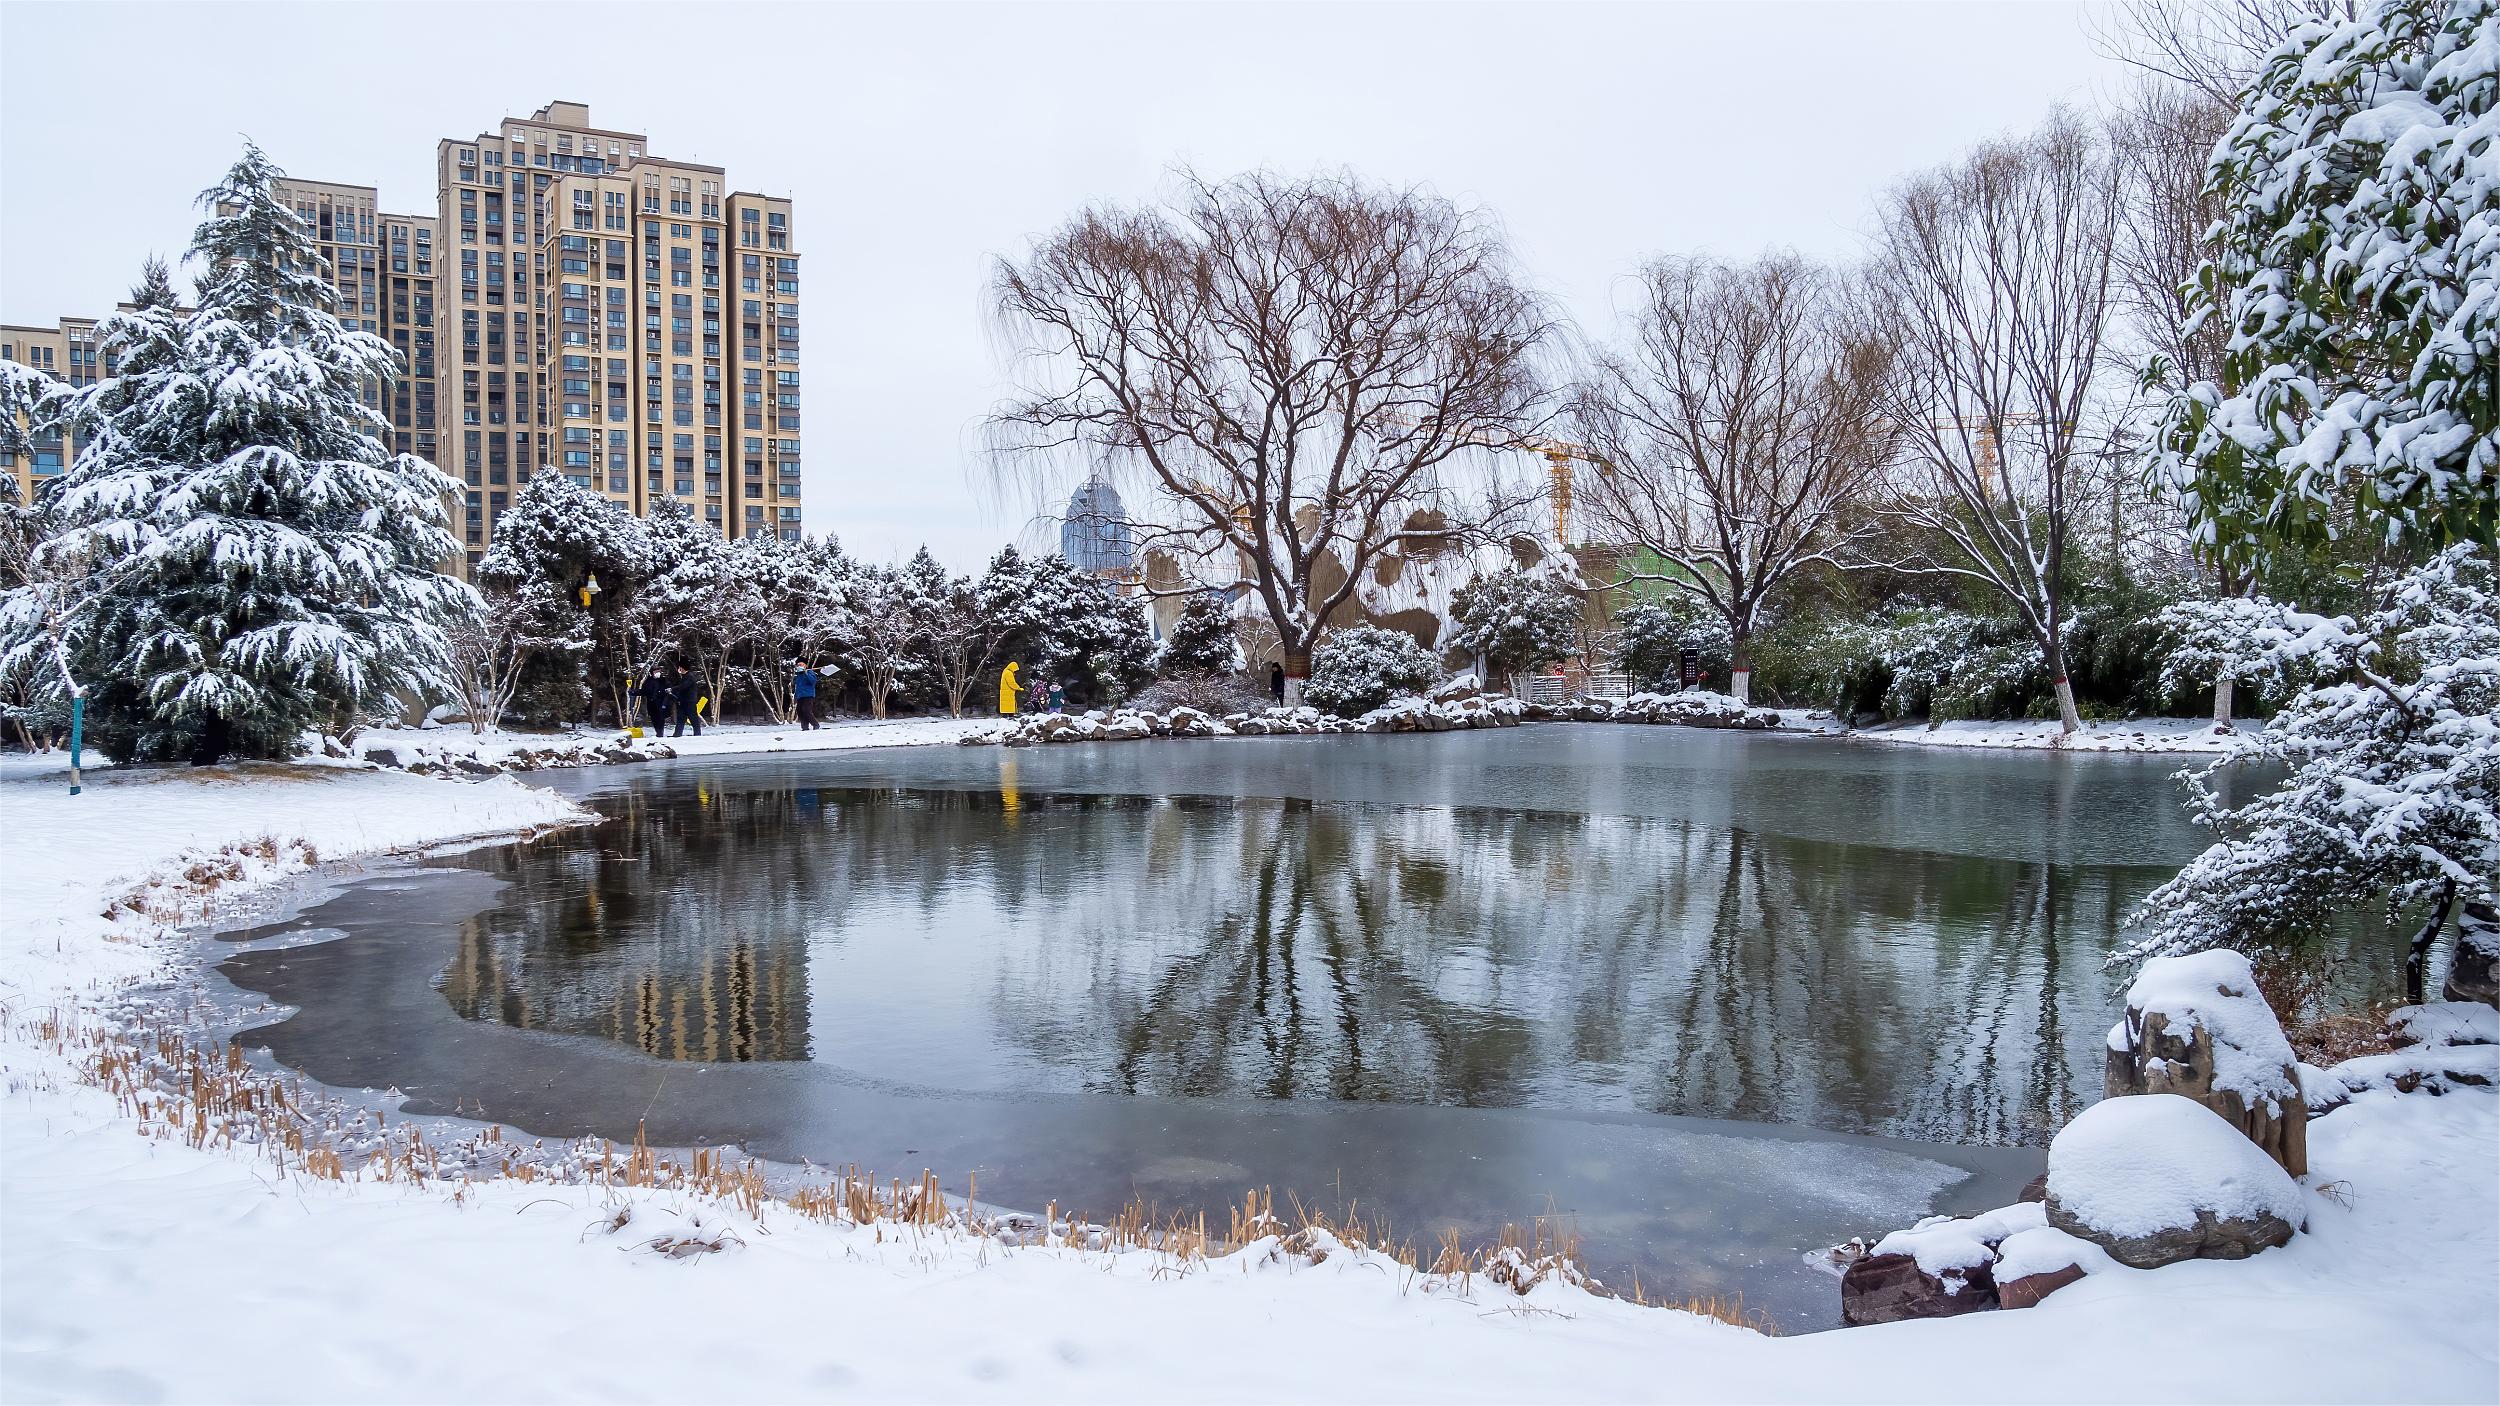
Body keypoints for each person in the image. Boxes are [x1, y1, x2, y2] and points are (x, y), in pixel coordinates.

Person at [671, 662, 705, 738]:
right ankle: (677, 734)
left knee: (693, 718)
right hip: (683, 701)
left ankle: (697, 734)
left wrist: (672, 689)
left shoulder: (689, 677)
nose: (679, 669)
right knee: (681, 718)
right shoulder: (685, 676)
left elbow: (683, 686)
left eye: (680, 668)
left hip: (689, 701)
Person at [638, 665, 673, 734]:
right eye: (656, 671)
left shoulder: (664, 680)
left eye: (659, 671)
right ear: (652, 672)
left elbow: (669, 690)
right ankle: (658, 732)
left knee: (661, 718)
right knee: (654, 718)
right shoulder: (648, 681)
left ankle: (660, 733)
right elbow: (644, 691)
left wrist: (666, 702)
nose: (658, 672)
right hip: (651, 703)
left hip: (661, 702)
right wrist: (634, 692)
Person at [793, 660, 821, 731]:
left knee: (806, 710)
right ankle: (805, 727)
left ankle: (815, 725)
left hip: (808, 695)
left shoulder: (810, 672)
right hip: (800, 696)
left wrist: (806, 673)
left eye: (801, 664)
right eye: (798, 665)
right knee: (800, 711)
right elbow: (798, 687)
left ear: (805, 666)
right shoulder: (798, 675)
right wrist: (795, 696)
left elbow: (813, 681)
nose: (799, 666)